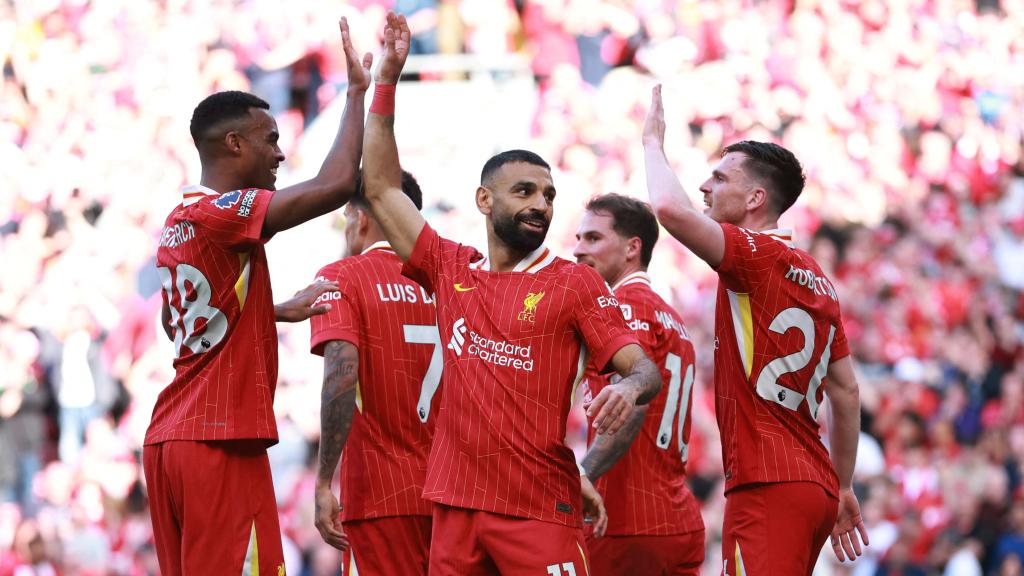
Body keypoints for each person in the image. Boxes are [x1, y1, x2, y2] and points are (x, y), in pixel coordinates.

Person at [359, 13, 661, 575]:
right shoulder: (449, 267)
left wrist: (632, 387)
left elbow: (645, 370)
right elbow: (378, 186)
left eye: (548, 195)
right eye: (524, 191)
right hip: (453, 505)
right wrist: (387, 82)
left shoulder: (573, 281)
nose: (541, 205)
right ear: (483, 200)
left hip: (537, 508)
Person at [142, 18, 372, 576]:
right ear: (234, 143)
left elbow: (193, 318)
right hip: (220, 438)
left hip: (171, 441)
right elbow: (336, 184)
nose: (279, 153)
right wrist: (359, 92)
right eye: (271, 140)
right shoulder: (223, 213)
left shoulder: (179, 219)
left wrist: (271, 311)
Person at [642, 85, 868, 575]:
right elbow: (846, 390)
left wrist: (652, 145)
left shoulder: (754, 254)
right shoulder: (821, 282)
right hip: (815, 486)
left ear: (755, 198)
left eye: (719, 178)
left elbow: (669, 211)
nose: (705, 186)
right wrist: (844, 484)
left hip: (768, 483)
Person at [309, 170, 439, 576]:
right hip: (453, 493)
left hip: (381, 495)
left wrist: (324, 480)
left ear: (359, 217)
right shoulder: (451, 281)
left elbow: (341, 377)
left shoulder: (344, 275)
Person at [573, 193, 705, 575]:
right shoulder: (671, 316)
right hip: (676, 518)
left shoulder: (622, 306)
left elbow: (636, 398)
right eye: (579, 238)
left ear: (633, 248)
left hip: (625, 523)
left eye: (593, 238)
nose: (578, 250)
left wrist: (584, 474)